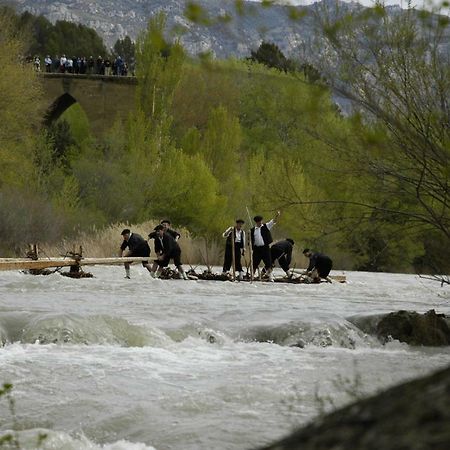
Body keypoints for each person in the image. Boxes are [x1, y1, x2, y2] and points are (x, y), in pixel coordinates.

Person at [250, 211, 280, 281]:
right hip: (256, 249)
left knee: (268, 263)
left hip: (265, 248)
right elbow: (250, 240)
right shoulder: (252, 230)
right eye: (259, 222)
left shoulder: (266, 226)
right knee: (254, 264)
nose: (260, 223)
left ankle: (270, 277)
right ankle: (252, 276)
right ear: (256, 222)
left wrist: (277, 216)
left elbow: (273, 221)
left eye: (261, 221)